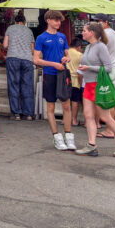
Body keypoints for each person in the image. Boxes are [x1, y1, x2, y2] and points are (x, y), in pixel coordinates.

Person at [75, 22, 115, 157]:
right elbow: (85, 63)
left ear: (92, 33)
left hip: (98, 86)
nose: (82, 33)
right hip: (88, 85)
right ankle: (91, 144)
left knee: (105, 117)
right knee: (88, 116)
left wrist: (89, 68)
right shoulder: (88, 47)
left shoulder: (101, 47)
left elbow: (108, 68)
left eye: (84, 30)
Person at [34, 9, 75, 151]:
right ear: (48, 20)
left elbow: (67, 54)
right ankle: (56, 137)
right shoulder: (41, 38)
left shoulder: (62, 36)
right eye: (56, 20)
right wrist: (53, 64)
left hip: (62, 74)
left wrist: (66, 58)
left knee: (66, 106)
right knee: (50, 107)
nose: (58, 23)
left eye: (59, 20)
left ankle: (69, 136)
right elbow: (36, 60)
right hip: (50, 74)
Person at [94, 14, 115, 139]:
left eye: (98, 22)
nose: (96, 24)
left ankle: (109, 130)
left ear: (105, 22)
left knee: (109, 101)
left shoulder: (104, 35)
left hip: (109, 71)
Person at [3, 10, 35, 120]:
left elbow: (5, 45)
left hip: (12, 58)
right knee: (27, 86)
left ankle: (16, 113)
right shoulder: (29, 31)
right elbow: (32, 50)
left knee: (13, 85)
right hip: (27, 60)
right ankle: (29, 114)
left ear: (15, 21)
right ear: (24, 22)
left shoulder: (10, 29)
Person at [67, 37, 84, 127]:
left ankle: (65, 119)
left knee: (66, 100)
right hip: (75, 80)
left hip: (65, 80)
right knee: (74, 101)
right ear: (78, 47)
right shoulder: (79, 55)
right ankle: (74, 120)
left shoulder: (65, 53)